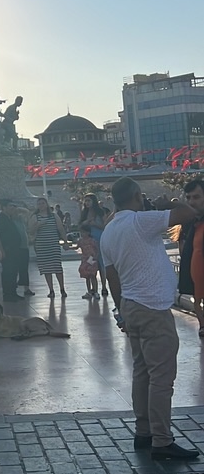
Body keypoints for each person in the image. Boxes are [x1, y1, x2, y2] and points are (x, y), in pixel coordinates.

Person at [100, 176, 199, 460]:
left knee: (142, 371)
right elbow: (189, 214)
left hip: (131, 305)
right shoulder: (141, 222)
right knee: (161, 377)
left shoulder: (109, 231)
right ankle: (162, 439)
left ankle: (143, 431)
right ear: (135, 195)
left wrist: (120, 310)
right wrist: (166, 202)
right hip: (154, 308)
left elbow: (111, 277)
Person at [178, 178, 204, 337]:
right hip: (196, 273)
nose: (191, 202)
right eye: (188, 198)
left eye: (196, 197)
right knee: (197, 300)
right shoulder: (190, 222)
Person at [28, 197, 67, 299]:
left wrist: (65, 241)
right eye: (39, 204)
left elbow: (61, 229)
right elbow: (31, 231)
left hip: (53, 245)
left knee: (57, 267)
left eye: (43, 203)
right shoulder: (35, 217)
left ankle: (62, 289)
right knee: (46, 269)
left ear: (46, 204)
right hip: (42, 245)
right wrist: (38, 225)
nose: (41, 205)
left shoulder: (54, 216)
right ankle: (51, 290)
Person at [0, 200, 24, 302]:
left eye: (13, 206)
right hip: (7, 249)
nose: (13, 208)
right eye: (10, 206)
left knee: (14, 271)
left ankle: (13, 292)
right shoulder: (0, 219)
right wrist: (1, 250)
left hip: (14, 249)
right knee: (8, 272)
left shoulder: (9, 218)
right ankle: (8, 293)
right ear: (4, 207)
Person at [79, 194, 110, 297]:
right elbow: (80, 225)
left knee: (101, 264)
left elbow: (105, 225)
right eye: (86, 201)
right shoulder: (84, 213)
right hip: (88, 243)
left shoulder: (100, 212)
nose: (87, 203)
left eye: (89, 201)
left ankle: (104, 286)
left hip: (99, 239)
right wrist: (86, 223)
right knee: (90, 264)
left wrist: (94, 224)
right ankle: (92, 288)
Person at [75, 225, 100, 299]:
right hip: (85, 260)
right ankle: (89, 291)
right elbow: (76, 247)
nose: (82, 234)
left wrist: (96, 257)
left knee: (93, 276)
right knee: (87, 277)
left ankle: (95, 291)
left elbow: (97, 249)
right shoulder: (81, 241)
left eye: (84, 232)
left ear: (88, 232)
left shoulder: (92, 241)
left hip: (92, 259)